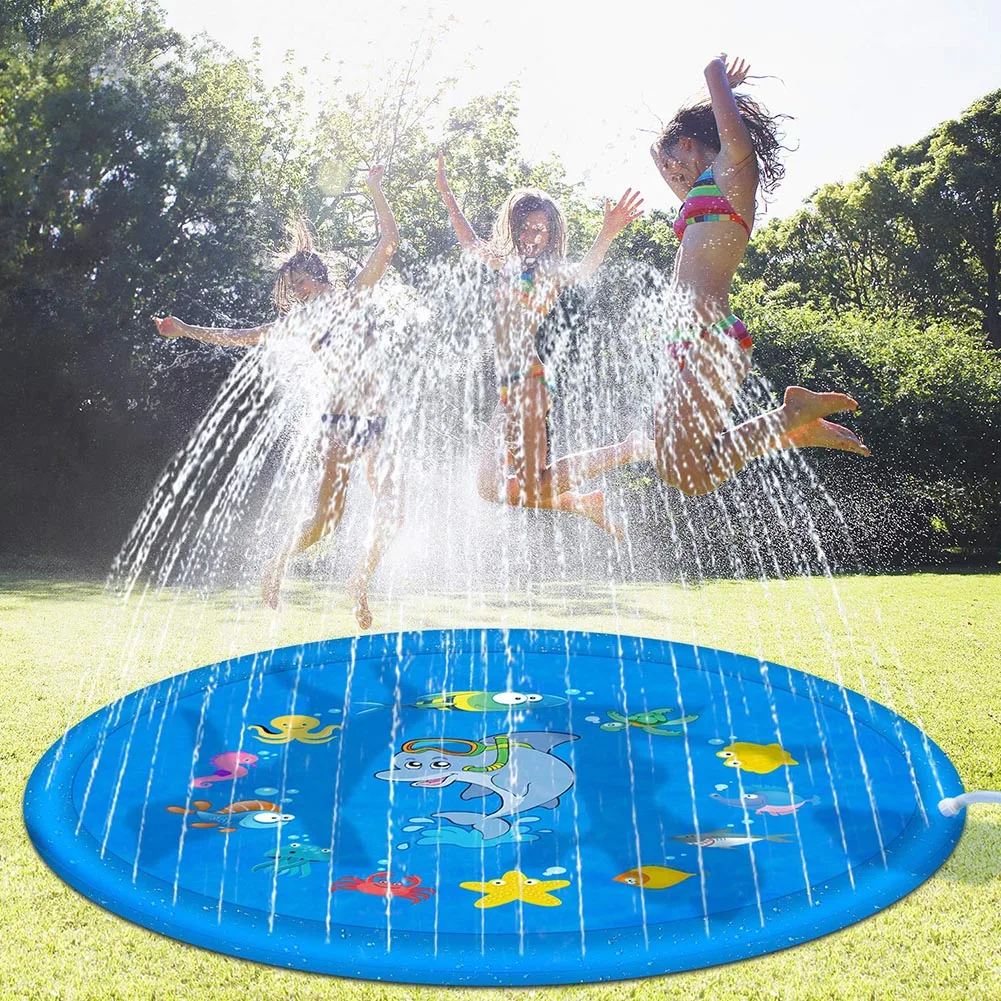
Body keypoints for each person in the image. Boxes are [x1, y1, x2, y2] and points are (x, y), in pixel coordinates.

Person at [153, 166, 401, 627]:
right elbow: (244, 337)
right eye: (295, 286)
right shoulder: (301, 322)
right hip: (339, 422)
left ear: (320, 275)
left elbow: (389, 240)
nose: (300, 291)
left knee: (394, 511)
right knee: (327, 520)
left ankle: (360, 583)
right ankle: (277, 562)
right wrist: (185, 329)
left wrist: (374, 189)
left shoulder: (354, 297)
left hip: (378, 421)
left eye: (304, 280)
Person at [650, 55, 869, 496]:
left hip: (712, 336)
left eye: (676, 160)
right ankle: (791, 426)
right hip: (682, 338)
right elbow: (656, 152)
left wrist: (719, 85)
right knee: (675, 471)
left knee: (688, 477)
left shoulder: (735, 170)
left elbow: (712, 67)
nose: (670, 172)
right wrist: (700, 107)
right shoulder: (696, 190)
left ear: (689, 143)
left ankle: (792, 418)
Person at [436, 153, 652, 538]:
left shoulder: (548, 269)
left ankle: (625, 451)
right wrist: (445, 192)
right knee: (502, 487)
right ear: (515, 228)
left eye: (542, 229)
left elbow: (583, 270)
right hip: (515, 385)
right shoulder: (507, 263)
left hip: (529, 382)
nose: (534, 235)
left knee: (509, 484)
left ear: (551, 235)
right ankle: (583, 501)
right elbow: (469, 242)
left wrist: (607, 231)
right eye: (527, 227)